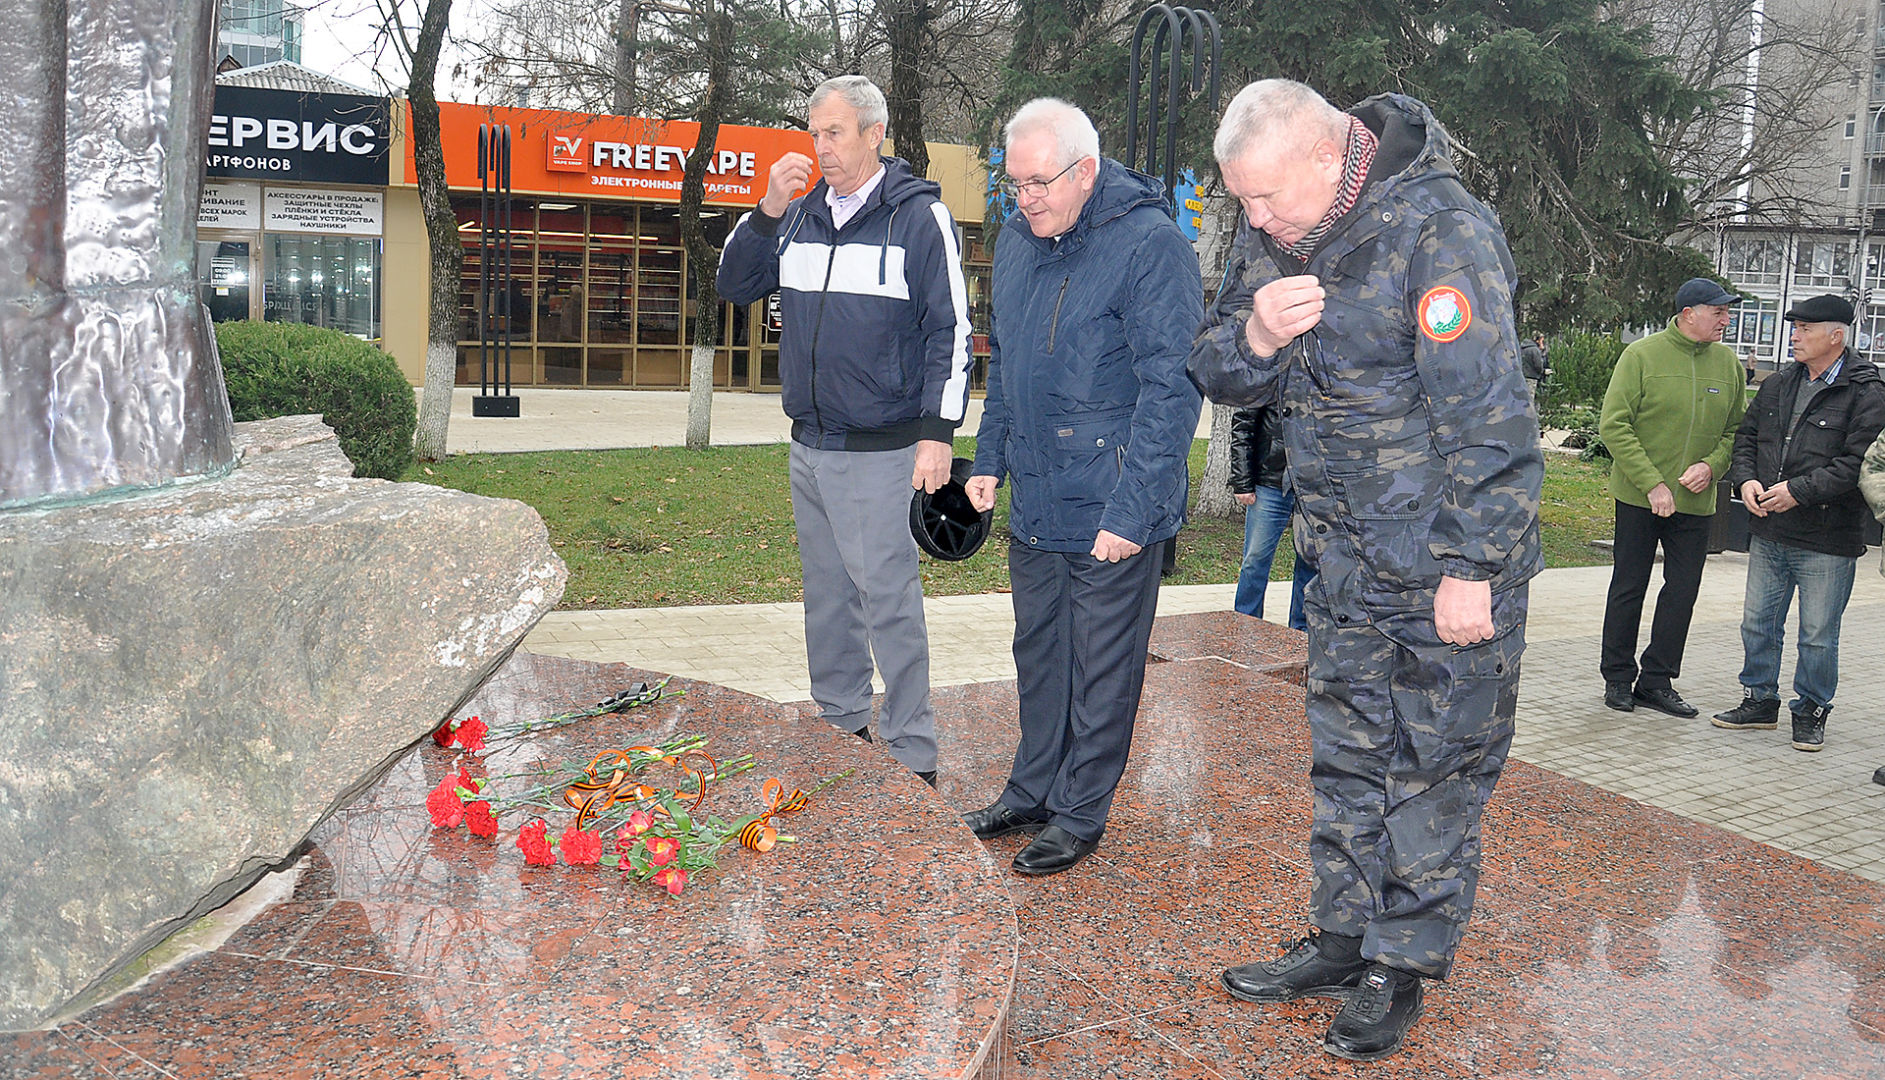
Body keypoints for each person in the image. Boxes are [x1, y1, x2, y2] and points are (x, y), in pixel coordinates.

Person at [1188, 79, 1541, 1061]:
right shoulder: (1275, 232)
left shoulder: (1442, 232)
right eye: (1241, 203)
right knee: (1348, 760)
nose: (1253, 219)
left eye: (1263, 199)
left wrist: (1476, 565)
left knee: (1433, 772)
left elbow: (1492, 419)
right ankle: (1343, 939)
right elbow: (1212, 362)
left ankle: (1402, 962)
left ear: (1327, 153)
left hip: (1442, 573)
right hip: (1339, 561)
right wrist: (1257, 334)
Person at [960, 98, 1203, 876]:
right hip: (1035, 494)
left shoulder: (1150, 245)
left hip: (1112, 500)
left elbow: (1173, 390)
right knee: (1039, 654)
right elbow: (1008, 370)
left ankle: (1078, 813)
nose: (1024, 197)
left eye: (1039, 182)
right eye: (1014, 182)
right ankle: (1030, 790)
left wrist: (1132, 510)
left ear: (1086, 170)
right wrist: (988, 457)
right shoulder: (1016, 243)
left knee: (1102, 667)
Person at [716, 75, 974, 785]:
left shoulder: (917, 219)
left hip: (883, 451)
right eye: (813, 133)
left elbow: (951, 333)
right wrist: (768, 206)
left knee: (888, 603)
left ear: (872, 135)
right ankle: (840, 723)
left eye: (834, 133)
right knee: (828, 599)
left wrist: (936, 433)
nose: (820, 148)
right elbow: (732, 284)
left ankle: (912, 752)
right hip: (810, 443)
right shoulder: (797, 216)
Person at [1712, 294, 1885, 751]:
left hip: (1827, 537)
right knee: (1758, 623)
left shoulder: (1867, 391)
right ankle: (1759, 700)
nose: (1794, 335)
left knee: (1817, 635)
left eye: (1805, 328)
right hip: (1769, 529)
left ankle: (1811, 709)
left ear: (1837, 335)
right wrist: (1745, 480)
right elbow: (1747, 437)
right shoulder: (1779, 382)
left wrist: (1797, 491)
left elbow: (1858, 464)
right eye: (1794, 327)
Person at [1597, 278, 1747, 717]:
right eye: (1718, 312)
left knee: (1682, 591)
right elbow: (1615, 424)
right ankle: (1618, 678)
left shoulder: (1728, 364)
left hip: (1696, 504)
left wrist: (1712, 466)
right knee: (1630, 586)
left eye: (1726, 312)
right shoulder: (1641, 356)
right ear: (1688, 315)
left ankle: (1657, 681)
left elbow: (1736, 431)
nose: (1726, 319)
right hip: (1640, 498)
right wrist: (1652, 483)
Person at [1228, 404, 1313, 629]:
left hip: (1315, 485)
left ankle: (1301, 631)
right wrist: (1242, 480)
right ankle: (1245, 625)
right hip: (1270, 481)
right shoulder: (1271, 370)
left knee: (1310, 561)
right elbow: (1243, 424)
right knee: (1255, 560)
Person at [1519, 333, 1547, 407]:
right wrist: (1543, 371)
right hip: (1531, 378)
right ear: (1537, 340)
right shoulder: (1534, 350)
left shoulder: (1522, 348)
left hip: (1521, 377)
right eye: (1542, 340)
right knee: (1530, 400)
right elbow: (1538, 365)